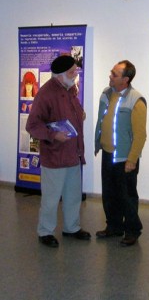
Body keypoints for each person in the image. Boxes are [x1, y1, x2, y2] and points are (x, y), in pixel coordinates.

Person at [26, 55, 90, 248]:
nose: (76, 74)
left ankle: (72, 227)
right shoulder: (45, 93)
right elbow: (33, 125)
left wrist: (81, 114)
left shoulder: (70, 89)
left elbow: (73, 112)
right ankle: (45, 231)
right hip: (55, 156)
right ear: (60, 75)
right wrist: (54, 135)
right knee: (51, 198)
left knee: (73, 195)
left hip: (73, 154)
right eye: (72, 72)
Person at [94, 60, 147, 247]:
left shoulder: (136, 100)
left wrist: (132, 159)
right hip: (108, 153)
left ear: (125, 79)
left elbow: (140, 135)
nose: (110, 76)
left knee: (127, 196)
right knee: (109, 194)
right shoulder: (106, 94)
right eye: (111, 72)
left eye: (114, 74)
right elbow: (102, 120)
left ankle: (132, 230)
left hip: (125, 158)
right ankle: (114, 226)